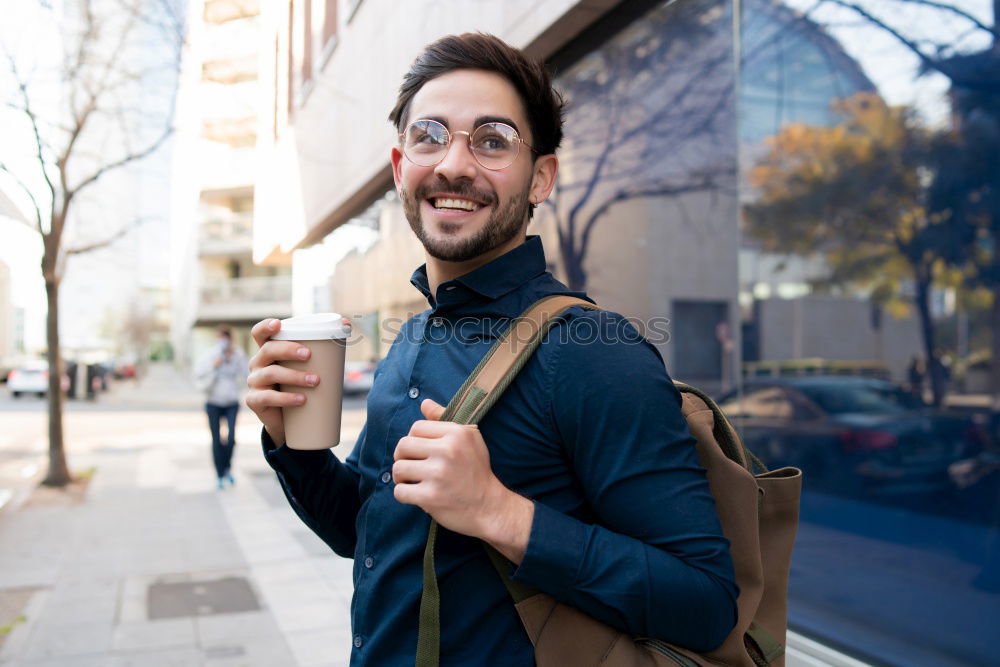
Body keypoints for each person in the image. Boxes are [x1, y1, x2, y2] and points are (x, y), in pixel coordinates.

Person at [246, 33, 737, 665]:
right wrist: (292, 443)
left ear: (541, 178)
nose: (453, 164)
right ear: (401, 168)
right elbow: (364, 535)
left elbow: (707, 603)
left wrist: (500, 513)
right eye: (429, 135)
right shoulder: (414, 338)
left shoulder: (593, 351)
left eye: (493, 140)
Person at [197, 327, 248, 489]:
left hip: (231, 402)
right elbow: (200, 379)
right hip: (213, 402)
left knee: (231, 437)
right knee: (217, 440)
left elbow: (247, 375)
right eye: (220, 339)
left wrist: (236, 360)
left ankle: (227, 468)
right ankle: (219, 475)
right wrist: (215, 366)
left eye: (225, 338)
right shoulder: (209, 356)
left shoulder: (237, 354)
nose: (223, 342)